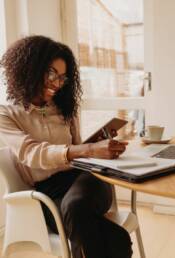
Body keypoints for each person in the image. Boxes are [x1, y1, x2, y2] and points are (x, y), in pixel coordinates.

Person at [0, 35, 133, 258]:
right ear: (29, 69)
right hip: (47, 194)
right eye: (51, 73)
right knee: (112, 235)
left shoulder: (64, 108)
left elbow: (77, 149)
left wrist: (93, 146)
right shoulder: (7, 114)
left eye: (62, 78)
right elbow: (31, 153)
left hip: (85, 179)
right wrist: (89, 149)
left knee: (76, 209)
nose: (56, 83)